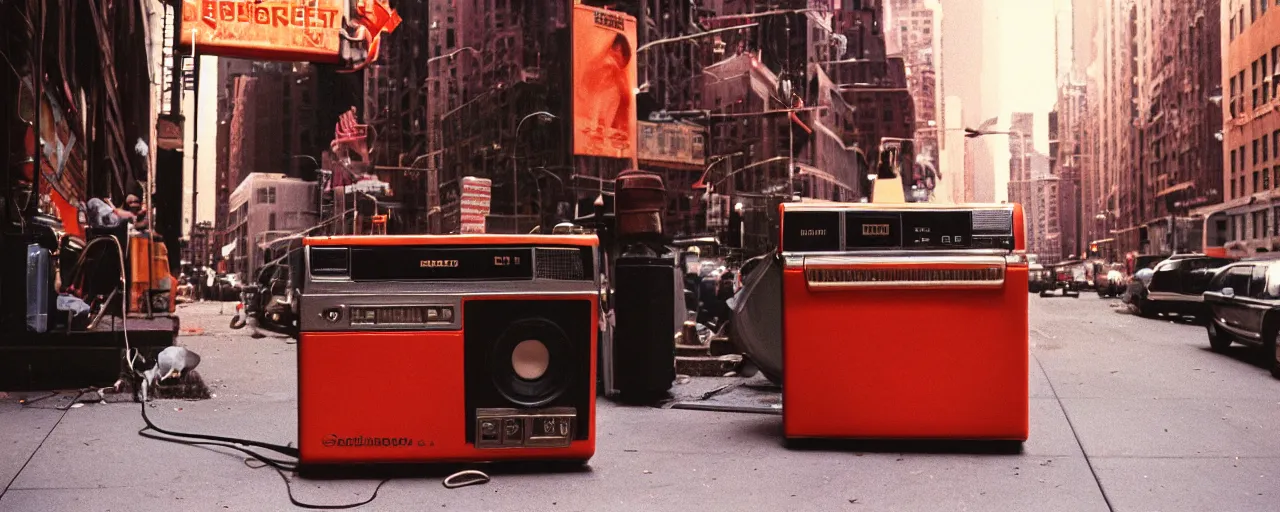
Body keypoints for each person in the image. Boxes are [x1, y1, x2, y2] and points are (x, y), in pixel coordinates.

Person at [575, 33, 633, 152]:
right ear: (616, 49)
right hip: (588, 122)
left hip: (601, 130)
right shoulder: (602, 64)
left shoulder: (615, 88)